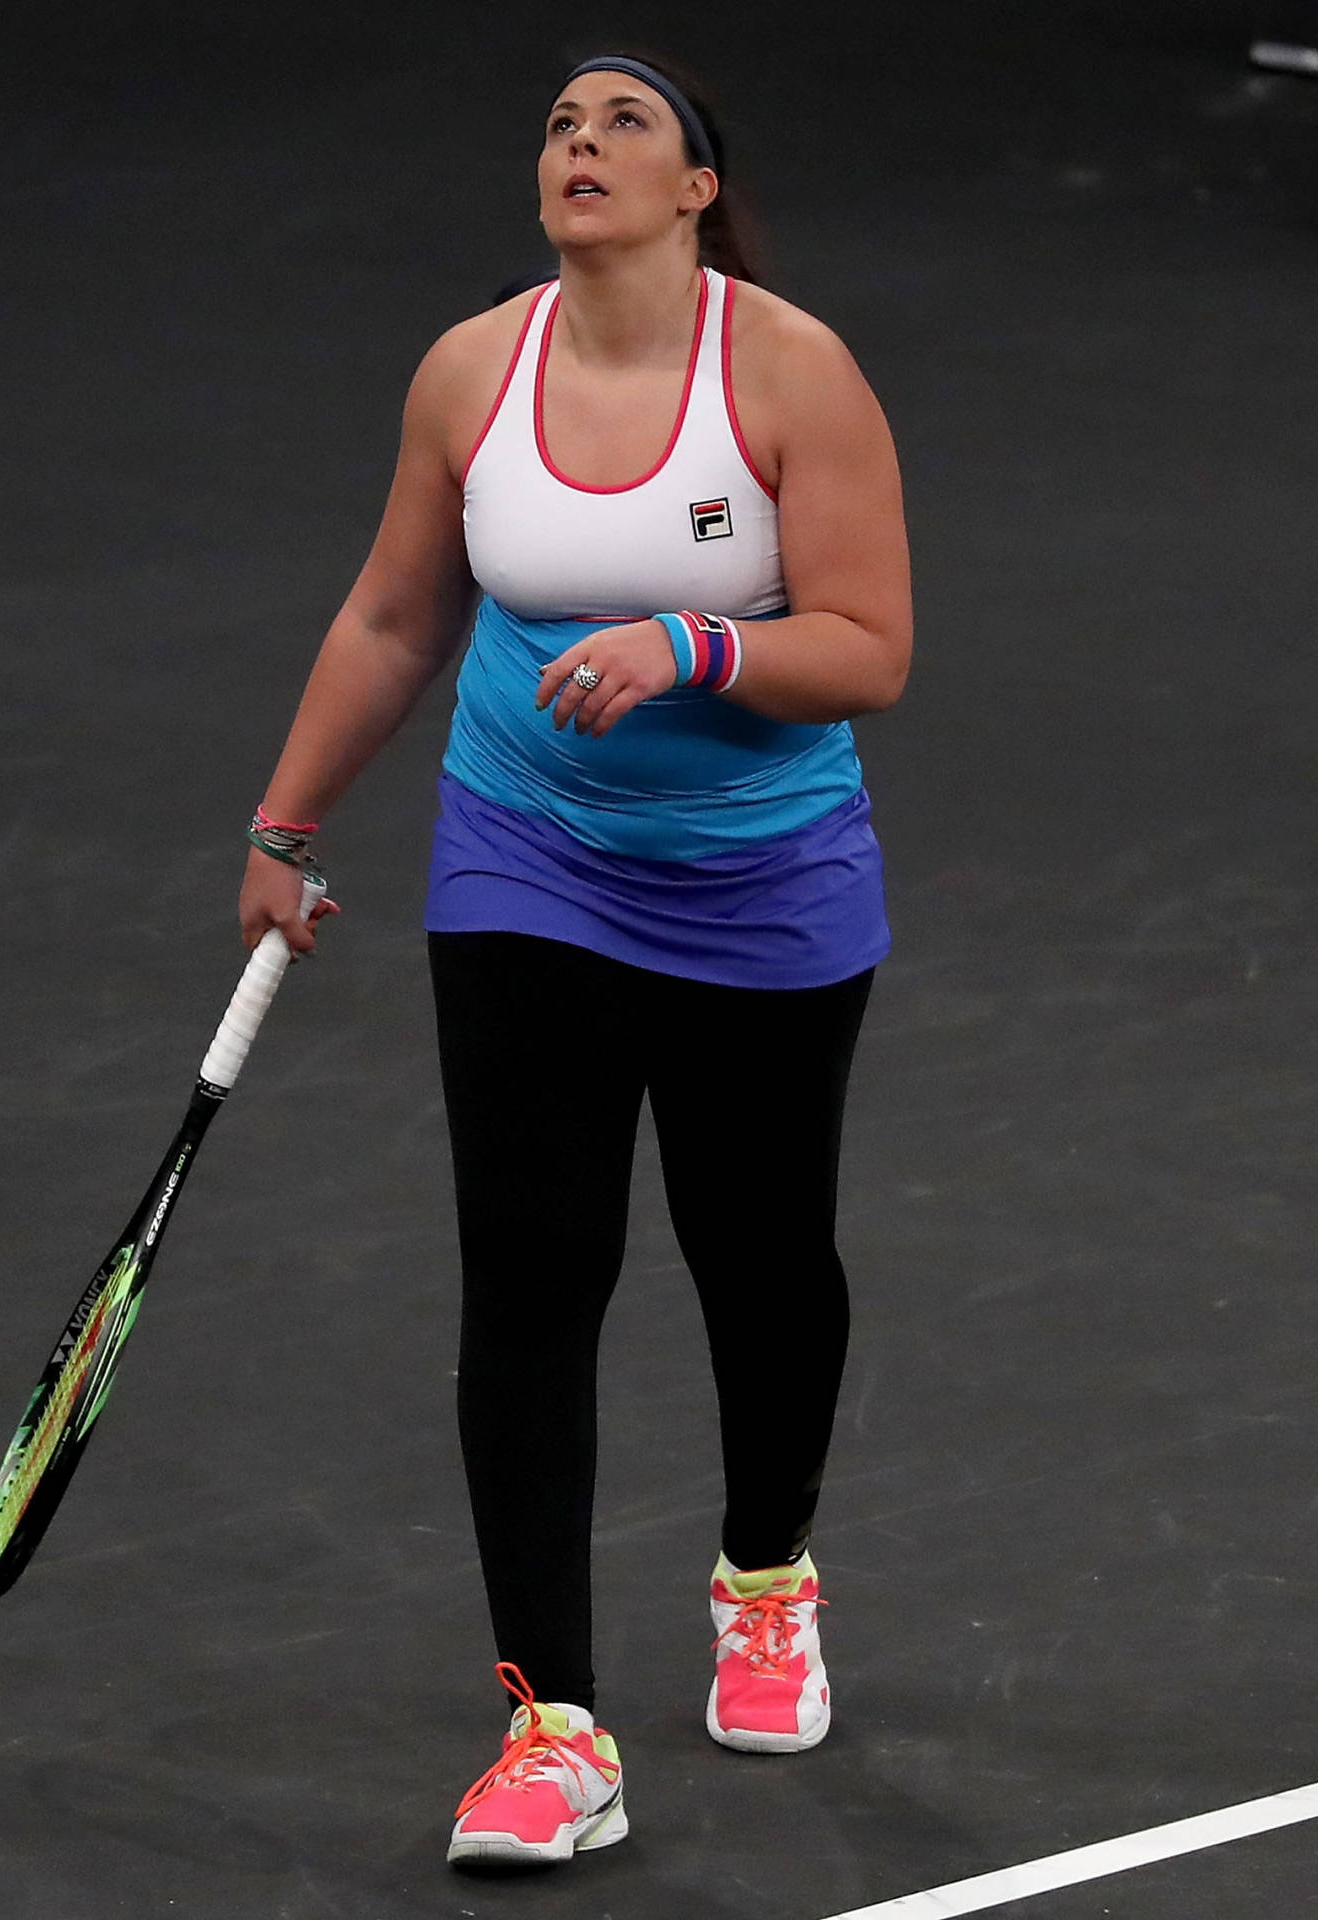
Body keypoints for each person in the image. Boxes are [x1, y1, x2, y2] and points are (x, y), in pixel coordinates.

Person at [238, 50, 911, 1870]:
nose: (579, 145)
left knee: (762, 1260)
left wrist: (689, 645)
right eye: (556, 124)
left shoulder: (789, 371)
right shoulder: (473, 369)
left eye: (623, 123)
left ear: (699, 185)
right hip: (528, 862)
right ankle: (553, 1728)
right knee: (532, 1271)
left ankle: (766, 1574)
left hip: (761, 883)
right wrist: (284, 827)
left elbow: (868, 645)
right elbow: (395, 612)